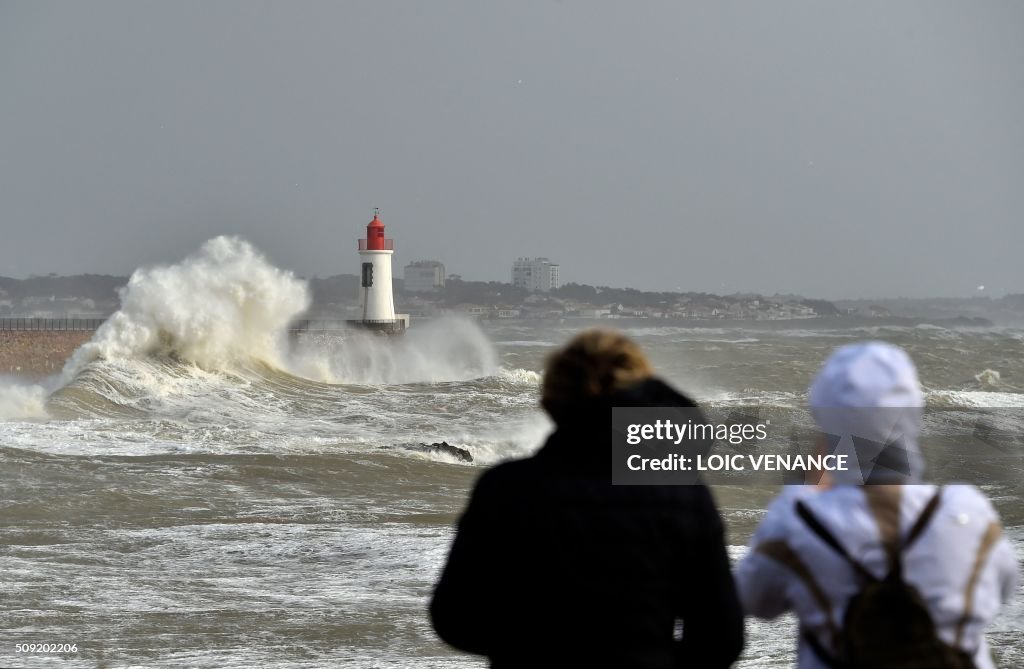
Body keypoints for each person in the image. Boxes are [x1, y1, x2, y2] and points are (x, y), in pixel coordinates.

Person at [430, 329, 744, 668]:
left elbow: (453, 617)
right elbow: (721, 638)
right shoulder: (684, 495)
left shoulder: (507, 488)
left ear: (551, 401)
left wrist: (525, 647)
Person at [735, 342, 1019, 668]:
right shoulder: (967, 513)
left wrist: (810, 490)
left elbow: (754, 601)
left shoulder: (797, 520)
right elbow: (1002, 589)